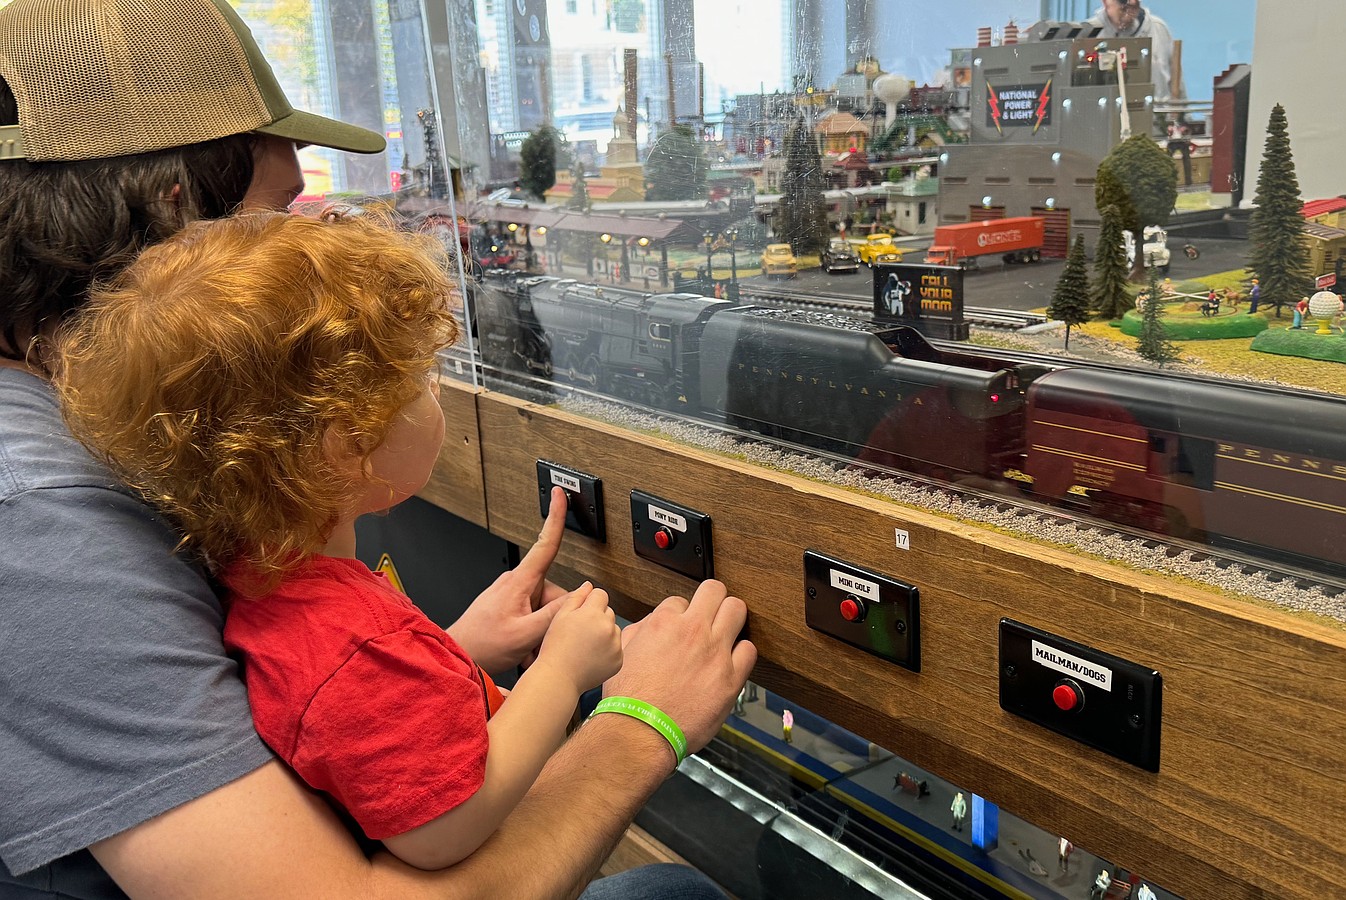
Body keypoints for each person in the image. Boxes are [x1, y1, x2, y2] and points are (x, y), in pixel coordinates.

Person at [0, 0, 756, 896]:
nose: (301, 231)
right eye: (281, 209)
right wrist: (641, 722)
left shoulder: (97, 423)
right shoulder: (43, 516)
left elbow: (283, 707)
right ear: (186, 225)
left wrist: (443, 661)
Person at [56, 210, 628, 872]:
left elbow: (359, 725)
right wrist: (562, 671)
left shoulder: (273, 581)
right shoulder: (357, 642)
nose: (431, 393)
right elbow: (439, 828)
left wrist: (456, 647)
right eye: (415, 382)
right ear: (346, 447)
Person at [1087, 0, 1186, 105]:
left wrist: (1184, 116)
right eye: (1123, 4)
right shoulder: (1090, 34)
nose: (1132, 2)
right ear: (1105, 3)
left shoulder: (1158, 29)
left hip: (1157, 117)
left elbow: (1177, 83)